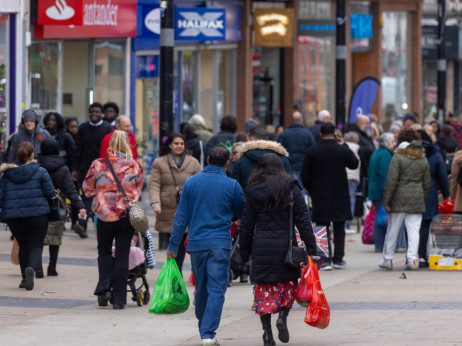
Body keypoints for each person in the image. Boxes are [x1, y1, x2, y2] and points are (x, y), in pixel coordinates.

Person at [166, 146, 244, 346]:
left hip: (197, 243)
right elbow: (242, 212)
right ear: (227, 163)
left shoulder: (191, 183)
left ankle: (204, 329)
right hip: (220, 243)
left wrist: (173, 245)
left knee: (201, 288)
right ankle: (208, 333)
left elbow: (181, 217)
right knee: (217, 289)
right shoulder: (233, 185)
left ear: (208, 159)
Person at [239, 153, 317, 346]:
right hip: (286, 245)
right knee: (287, 285)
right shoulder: (292, 189)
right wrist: (311, 246)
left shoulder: (252, 191)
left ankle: (267, 333)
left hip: (262, 245)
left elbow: (247, 225)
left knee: (263, 290)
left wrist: (245, 251)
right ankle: (282, 317)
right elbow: (304, 221)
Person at [82, 130, 144, 309]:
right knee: (123, 255)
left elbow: (87, 189)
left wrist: (103, 192)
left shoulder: (98, 164)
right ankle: (119, 299)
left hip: (104, 215)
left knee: (104, 252)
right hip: (126, 215)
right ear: (127, 144)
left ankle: (104, 289)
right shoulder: (134, 166)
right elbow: (138, 188)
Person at [301, 122, 359, 270]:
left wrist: (311, 189)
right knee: (339, 226)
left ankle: (324, 259)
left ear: (320, 134)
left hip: (320, 193)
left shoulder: (313, 151)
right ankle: (339, 258)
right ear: (334, 133)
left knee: (322, 226)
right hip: (340, 192)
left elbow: (305, 175)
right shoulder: (341, 150)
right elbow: (354, 164)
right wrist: (344, 145)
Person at [0, 142, 54, 290]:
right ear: (32, 155)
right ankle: (31, 268)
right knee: (36, 245)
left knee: (23, 245)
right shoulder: (40, 171)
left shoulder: (7, 174)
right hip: (37, 215)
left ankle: (25, 278)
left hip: (14, 216)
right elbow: (50, 192)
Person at [380, 129, 430, 271]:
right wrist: (423, 198)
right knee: (414, 230)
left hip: (398, 199)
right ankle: (413, 260)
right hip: (417, 198)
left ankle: (388, 259)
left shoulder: (398, 157)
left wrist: (387, 201)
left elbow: (391, 180)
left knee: (393, 229)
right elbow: (427, 182)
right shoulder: (423, 158)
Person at [148, 132, 201, 264]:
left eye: (182, 144)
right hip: (166, 207)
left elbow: (200, 185)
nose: (179, 146)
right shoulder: (159, 162)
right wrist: (155, 202)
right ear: (170, 145)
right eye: (176, 143)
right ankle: (174, 271)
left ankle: (178, 270)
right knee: (171, 239)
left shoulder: (193, 163)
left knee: (182, 240)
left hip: (186, 207)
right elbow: (154, 184)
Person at [37, 139, 86, 277]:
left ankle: (38, 267)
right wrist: (80, 206)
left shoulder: (37, 165)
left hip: (39, 205)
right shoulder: (63, 168)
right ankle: (52, 267)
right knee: (55, 237)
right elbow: (70, 189)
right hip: (57, 206)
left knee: (38, 238)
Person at [72, 102, 113, 237]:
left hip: (103, 170)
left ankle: (100, 227)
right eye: (91, 112)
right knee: (85, 198)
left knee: (102, 200)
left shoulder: (107, 129)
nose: (94, 114)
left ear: (101, 113)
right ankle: (82, 225)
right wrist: (75, 168)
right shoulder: (83, 128)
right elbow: (77, 150)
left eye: (97, 112)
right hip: (85, 169)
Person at [417, 130, 449, 268]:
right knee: (425, 226)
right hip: (429, 193)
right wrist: (446, 194)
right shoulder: (434, 153)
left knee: (410, 226)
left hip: (410, 194)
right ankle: (423, 257)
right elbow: (442, 175)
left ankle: (411, 256)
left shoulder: (407, 153)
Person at [367, 133, 396, 252]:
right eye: (393, 142)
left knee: (379, 218)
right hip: (381, 191)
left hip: (375, 190)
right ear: (387, 143)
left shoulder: (376, 153)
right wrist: (387, 194)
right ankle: (380, 246)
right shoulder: (385, 155)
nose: (394, 144)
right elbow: (386, 176)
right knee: (382, 220)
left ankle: (380, 245)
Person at [277, 111, 315, 195]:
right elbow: (313, 151)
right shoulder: (308, 134)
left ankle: (293, 206)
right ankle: (303, 206)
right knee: (303, 189)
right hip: (303, 166)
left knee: (291, 190)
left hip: (289, 166)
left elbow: (278, 150)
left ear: (292, 120)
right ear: (301, 120)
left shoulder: (284, 134)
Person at [343, 132, 361, 234]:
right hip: (353, 177)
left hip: (342, 176)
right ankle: (347, 225)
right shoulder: (358, 148)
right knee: (351, 200)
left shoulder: (342, 147)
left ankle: (341, 223)